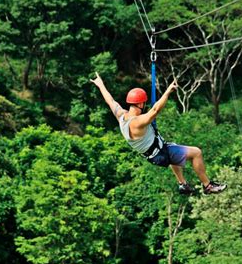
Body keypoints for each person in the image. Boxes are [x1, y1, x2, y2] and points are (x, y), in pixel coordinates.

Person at [90, 72, 226, 195]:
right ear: (141, 104)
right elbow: (154, 111)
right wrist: (167, 92)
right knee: (196, 153)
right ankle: (207, 185)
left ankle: (182, 184)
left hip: (154, 154)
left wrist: (100, 84)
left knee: (174, 151)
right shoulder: (137, 122)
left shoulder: (121, 116)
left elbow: (111, 101)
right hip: (160, 153)